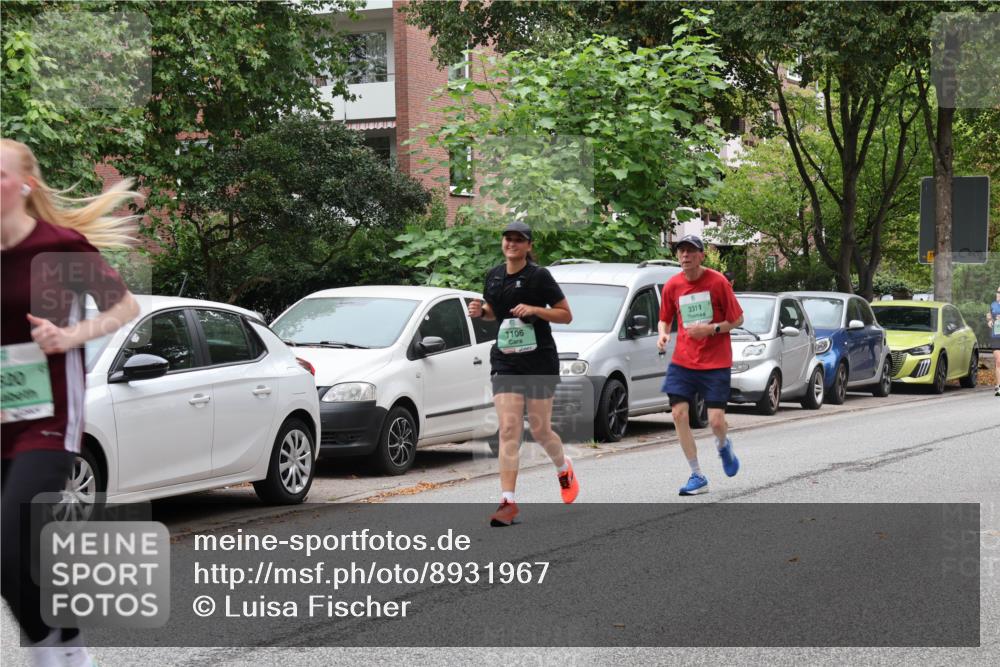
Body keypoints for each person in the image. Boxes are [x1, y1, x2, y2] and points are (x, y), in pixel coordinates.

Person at [1, 138, 141, 667]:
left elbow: (123, 305)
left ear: (24, 185)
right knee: (15, 554)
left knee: (11, 546)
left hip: (48, 418)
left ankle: (55, 655)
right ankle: (67, 641)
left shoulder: (56, 247)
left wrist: (70, 335)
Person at [468, 221, 578, 526]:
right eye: (508, 239)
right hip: (506, 360)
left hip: (539, 360)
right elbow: (495, 311)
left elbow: (566, 315)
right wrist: (482, 312)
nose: (512, 244)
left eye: (519, 240)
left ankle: (563, 467)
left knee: (541, 430)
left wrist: (535, 310)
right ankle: (508, 501)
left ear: (528, 246)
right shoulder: (493, 275)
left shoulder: (539, 276)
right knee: (508, 430)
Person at [656, 235, 744, 496]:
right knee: (678, 414)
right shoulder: (672, 286)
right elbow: (665, 319)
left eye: (691, 251)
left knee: (716, 422)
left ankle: (723, 444)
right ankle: (697, 475)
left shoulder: (718, 282)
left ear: (701, 255)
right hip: (683, 361)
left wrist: (712, 329)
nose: (685, 256)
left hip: (716, 361)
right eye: (681, 251)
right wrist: (663, 334)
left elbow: (737, 319)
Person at [988, 285, 1000, 397]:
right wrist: (990, 321)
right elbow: (989, 316)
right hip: (996, 336)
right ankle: (998, 386)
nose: (998, 294)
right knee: (998, 361)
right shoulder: (993, 305)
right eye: (998, 292)